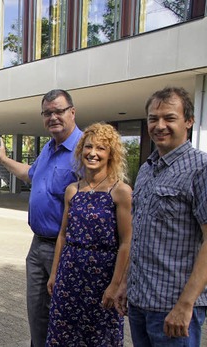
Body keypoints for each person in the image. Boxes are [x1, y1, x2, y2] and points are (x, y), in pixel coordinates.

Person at [0, 89, 83, 347]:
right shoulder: (49, 147)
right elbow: (30, 175)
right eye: (47, 113)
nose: (53, 117)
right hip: (37, 246)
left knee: (65, 316)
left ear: (72, 112)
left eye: (59, 111)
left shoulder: (85, 149)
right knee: (37, 315)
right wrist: (4, 159)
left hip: (65, 248)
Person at [120, 87, 207, 345]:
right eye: (153, 118)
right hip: (140, 303)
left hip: (174, 310)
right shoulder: (147, 169)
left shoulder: (200, 169)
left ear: (188, 121)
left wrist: (185, 304)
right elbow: (139, 235)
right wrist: (126, 283)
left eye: (169, 118)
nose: (160, 125)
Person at [45, 123, 132, 346]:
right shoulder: (72, 190)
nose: (93, 153)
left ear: (111, 154)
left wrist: (115, 285)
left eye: (101, 148)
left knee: (100, 338)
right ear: (80, 150)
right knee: (63, 336)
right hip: (69, 275)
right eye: (88, 147)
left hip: (102, 279)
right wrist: (55, 273)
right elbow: (63, 235)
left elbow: (126, 242)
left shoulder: (120, 191)